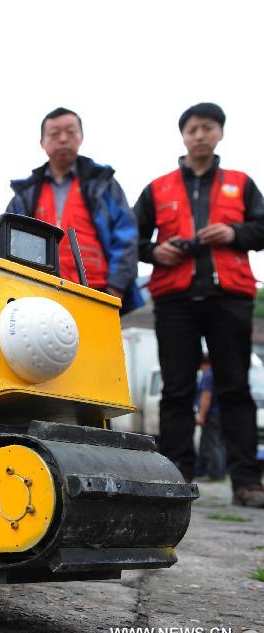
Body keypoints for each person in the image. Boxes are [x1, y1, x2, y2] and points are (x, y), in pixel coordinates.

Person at [135, 102, 264, 508]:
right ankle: (175, 475)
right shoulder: (158, 188)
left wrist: (234, 232)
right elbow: (132, 239)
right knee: (177, 390)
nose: (200, 135)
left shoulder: (241, 184)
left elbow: (261, 229)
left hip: (229, 299)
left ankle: (247, 483)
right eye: (192, 128)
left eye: (208, 127)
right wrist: (156, 253)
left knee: (236, 389)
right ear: (183, 135)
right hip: (176, 301)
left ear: (220, 133)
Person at [7, 108, 142, 312]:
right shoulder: (26, 193)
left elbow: (126, 235)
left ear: (81, 137)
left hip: (98, 292)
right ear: (42, 142)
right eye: (54, 134)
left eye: (70, 132)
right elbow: (11, 242)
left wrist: (116, 286)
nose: (63, 139)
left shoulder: (103, 183)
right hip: (40, 296)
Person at [194, 355, 226, 481]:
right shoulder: (219, 374)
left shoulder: (208, 375)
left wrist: (201, 415)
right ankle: (214, 472)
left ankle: (214, 474)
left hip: (211, 415)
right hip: (220, 414)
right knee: (218, 444)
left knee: (212, 445)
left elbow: (206, 396)